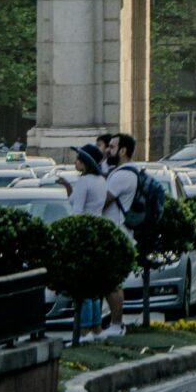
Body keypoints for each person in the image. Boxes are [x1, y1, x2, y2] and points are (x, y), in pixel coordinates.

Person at [69, 144, 126, 338]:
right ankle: (95, 327)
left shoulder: (84, 182)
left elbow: (77, 211)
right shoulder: (101, 181)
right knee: (94, 287)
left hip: (84, 235)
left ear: (85, 163)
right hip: (98, 233)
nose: (75, 162)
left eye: (78, 159)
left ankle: (84, 330)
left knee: (84, 286)